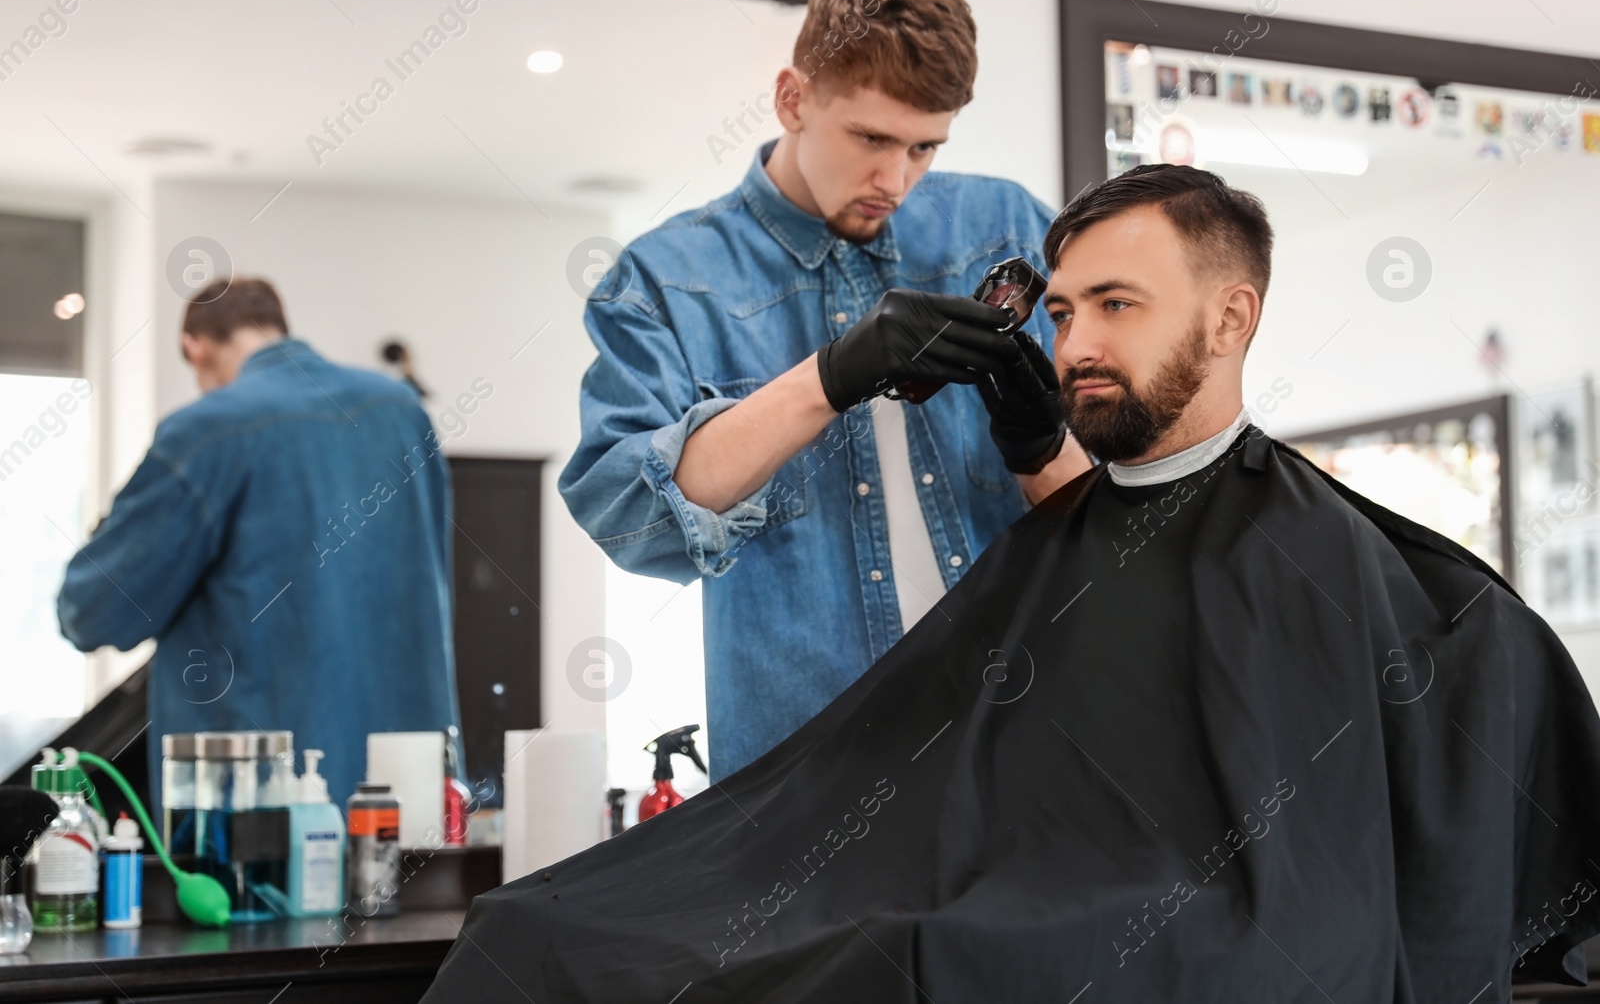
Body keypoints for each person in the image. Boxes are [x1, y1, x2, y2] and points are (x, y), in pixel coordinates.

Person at [424, 165, 1600, 1002]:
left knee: (922, 959)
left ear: (1232, 316)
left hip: (1118, 934)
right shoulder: (1068, 537)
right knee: (535, 930)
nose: (1075, 340)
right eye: (1063, 310)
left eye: (1116, 307)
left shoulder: (1390, 582)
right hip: (935, 883)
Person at [559, 0, 1090, 780]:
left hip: (1019, 748)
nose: (897, 180)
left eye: (924, 147)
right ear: (793, 99)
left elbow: (1118, 513)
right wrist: (825, 380)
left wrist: (1043, 440)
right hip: (807, 781)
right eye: (872, 138)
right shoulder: (665, 280)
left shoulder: (1008, 227)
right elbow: (630, 519)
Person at [57, 278, 461, 814]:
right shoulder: (401, 411)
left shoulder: (206, 430)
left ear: (194, 346)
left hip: (258, 812)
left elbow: (93, 613)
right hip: (409, 798)